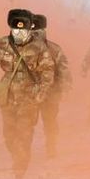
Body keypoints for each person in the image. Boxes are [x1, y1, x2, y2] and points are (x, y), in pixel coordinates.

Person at [0, 9, 56, 179]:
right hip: (7, 98)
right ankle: (17, 158)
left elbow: (48, 73)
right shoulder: (1, 44)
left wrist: (40, 95)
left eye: (22, 29)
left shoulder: (40, 47)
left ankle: (20, 166)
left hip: (29, 98)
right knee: (9, 135)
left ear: (29, 29)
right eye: (15, 29)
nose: (18, 33)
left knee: (24, 133)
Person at [31, 14, 71, 158]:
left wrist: (65, 89)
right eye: (33, 31)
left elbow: (64, 70)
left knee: (50, 123)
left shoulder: (54, 49)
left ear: (45, 30)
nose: (35, 35)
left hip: (51, 94)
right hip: (29, 94)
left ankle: (51, 148)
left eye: (38, 31)